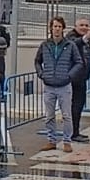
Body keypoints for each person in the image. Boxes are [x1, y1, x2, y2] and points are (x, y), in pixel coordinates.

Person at [34, 16, 79, 151]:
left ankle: (67, 141)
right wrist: (41, 74)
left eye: (59, 26)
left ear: (63, 28)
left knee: (66, 115)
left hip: (64, 86)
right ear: (51, 28)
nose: (57, 29)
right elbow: (37, 61)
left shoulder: (70, 45)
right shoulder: (45, 45)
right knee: (49, 116)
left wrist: (69, 76)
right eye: (55, 26)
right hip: (49, 85)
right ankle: (51, 140)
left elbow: (78, 62)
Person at [66, 17, 90, 143]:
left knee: (79, 105)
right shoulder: (71, 37)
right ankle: (72, 132)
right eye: (81, 25)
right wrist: (86, 38)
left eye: (86, 25)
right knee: (74, 106)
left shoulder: (86, 40)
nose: (84, 27)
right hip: (73, 78)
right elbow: (73, 43)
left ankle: (75, 131)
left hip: (82, 77)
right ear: (75, 26)